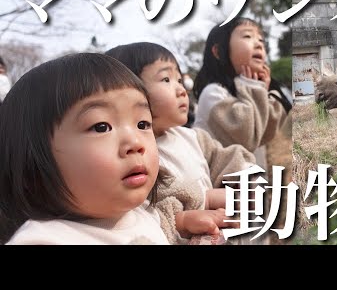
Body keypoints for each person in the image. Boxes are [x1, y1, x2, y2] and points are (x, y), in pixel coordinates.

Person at [0, 53, 231, 245]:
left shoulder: (143, 214)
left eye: (143, 124)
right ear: (33, 164)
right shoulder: (46, 240)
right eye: (101, 127)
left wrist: (182, 222)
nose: (136, 143)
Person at [105, 42, 256, 197]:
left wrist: (246, 173)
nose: (182, 90)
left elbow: (226, 158)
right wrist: (202, 204)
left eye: (179, 80)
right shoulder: (135, 157)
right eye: (165, 79)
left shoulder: (193, 138)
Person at [192, 17, 292, 171]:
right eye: (247, 36)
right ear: (218, 52)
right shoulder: (213, 93)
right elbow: (247, 138)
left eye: (261, 40)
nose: (258, 44)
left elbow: (265, 132)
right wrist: (253, 88)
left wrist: (263, 92)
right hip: (220, 190)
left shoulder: (246, 91)